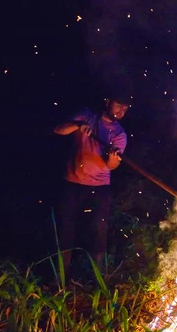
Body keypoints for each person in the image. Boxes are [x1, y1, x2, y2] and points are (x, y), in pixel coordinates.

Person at [53, 92, 130, 280]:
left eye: (125, 108)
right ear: (108, 101)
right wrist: (78, 125)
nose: (121, 111)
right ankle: (60, 279)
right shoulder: (86, 115)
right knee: (65, 229)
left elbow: (112, 166)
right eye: (119, 105)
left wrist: (112, 158)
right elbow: (58, 129)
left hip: (99, 187)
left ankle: (99, 279)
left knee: (98, 232)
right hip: (72, 182)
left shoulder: (119, 134)